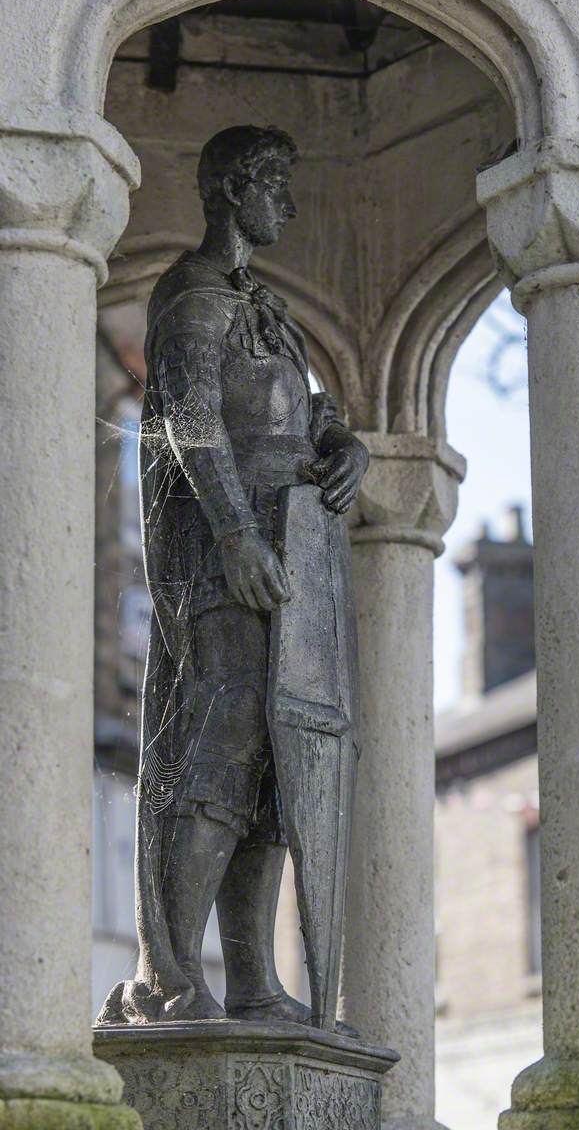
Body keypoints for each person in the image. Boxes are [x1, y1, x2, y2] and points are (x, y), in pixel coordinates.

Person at [97, 125, 368, 1027]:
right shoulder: (197, 299)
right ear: (234, 190)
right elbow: (191, 422)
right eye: (276, 185)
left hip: (292, 557)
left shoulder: (265, 306)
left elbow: (298, 415)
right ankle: (166, 977)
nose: (287, 204)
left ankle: (252, 979)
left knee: (272, 778)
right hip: (229, 567)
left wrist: (343, 447)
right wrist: (239, 536)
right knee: (218, 758)